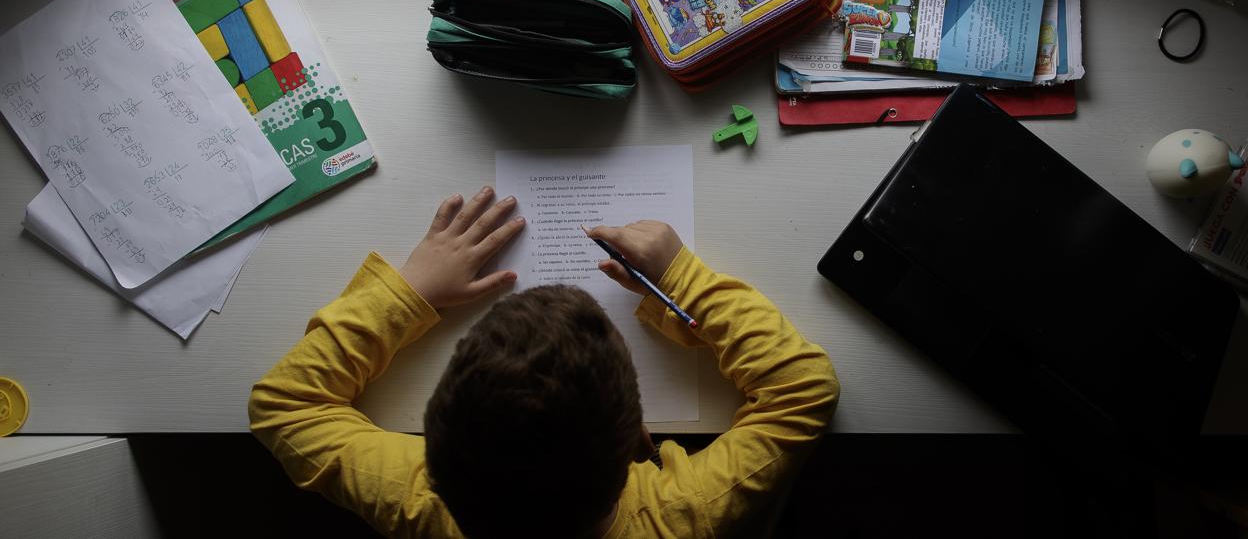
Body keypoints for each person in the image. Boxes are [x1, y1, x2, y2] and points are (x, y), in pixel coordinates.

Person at [249, 186, 840, 538]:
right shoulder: (679, 517)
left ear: (433, 448)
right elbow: (804, 388)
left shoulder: (420, 504)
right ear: (639, 435)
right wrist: (683, 278)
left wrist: (411, 292)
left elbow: (284, 407)